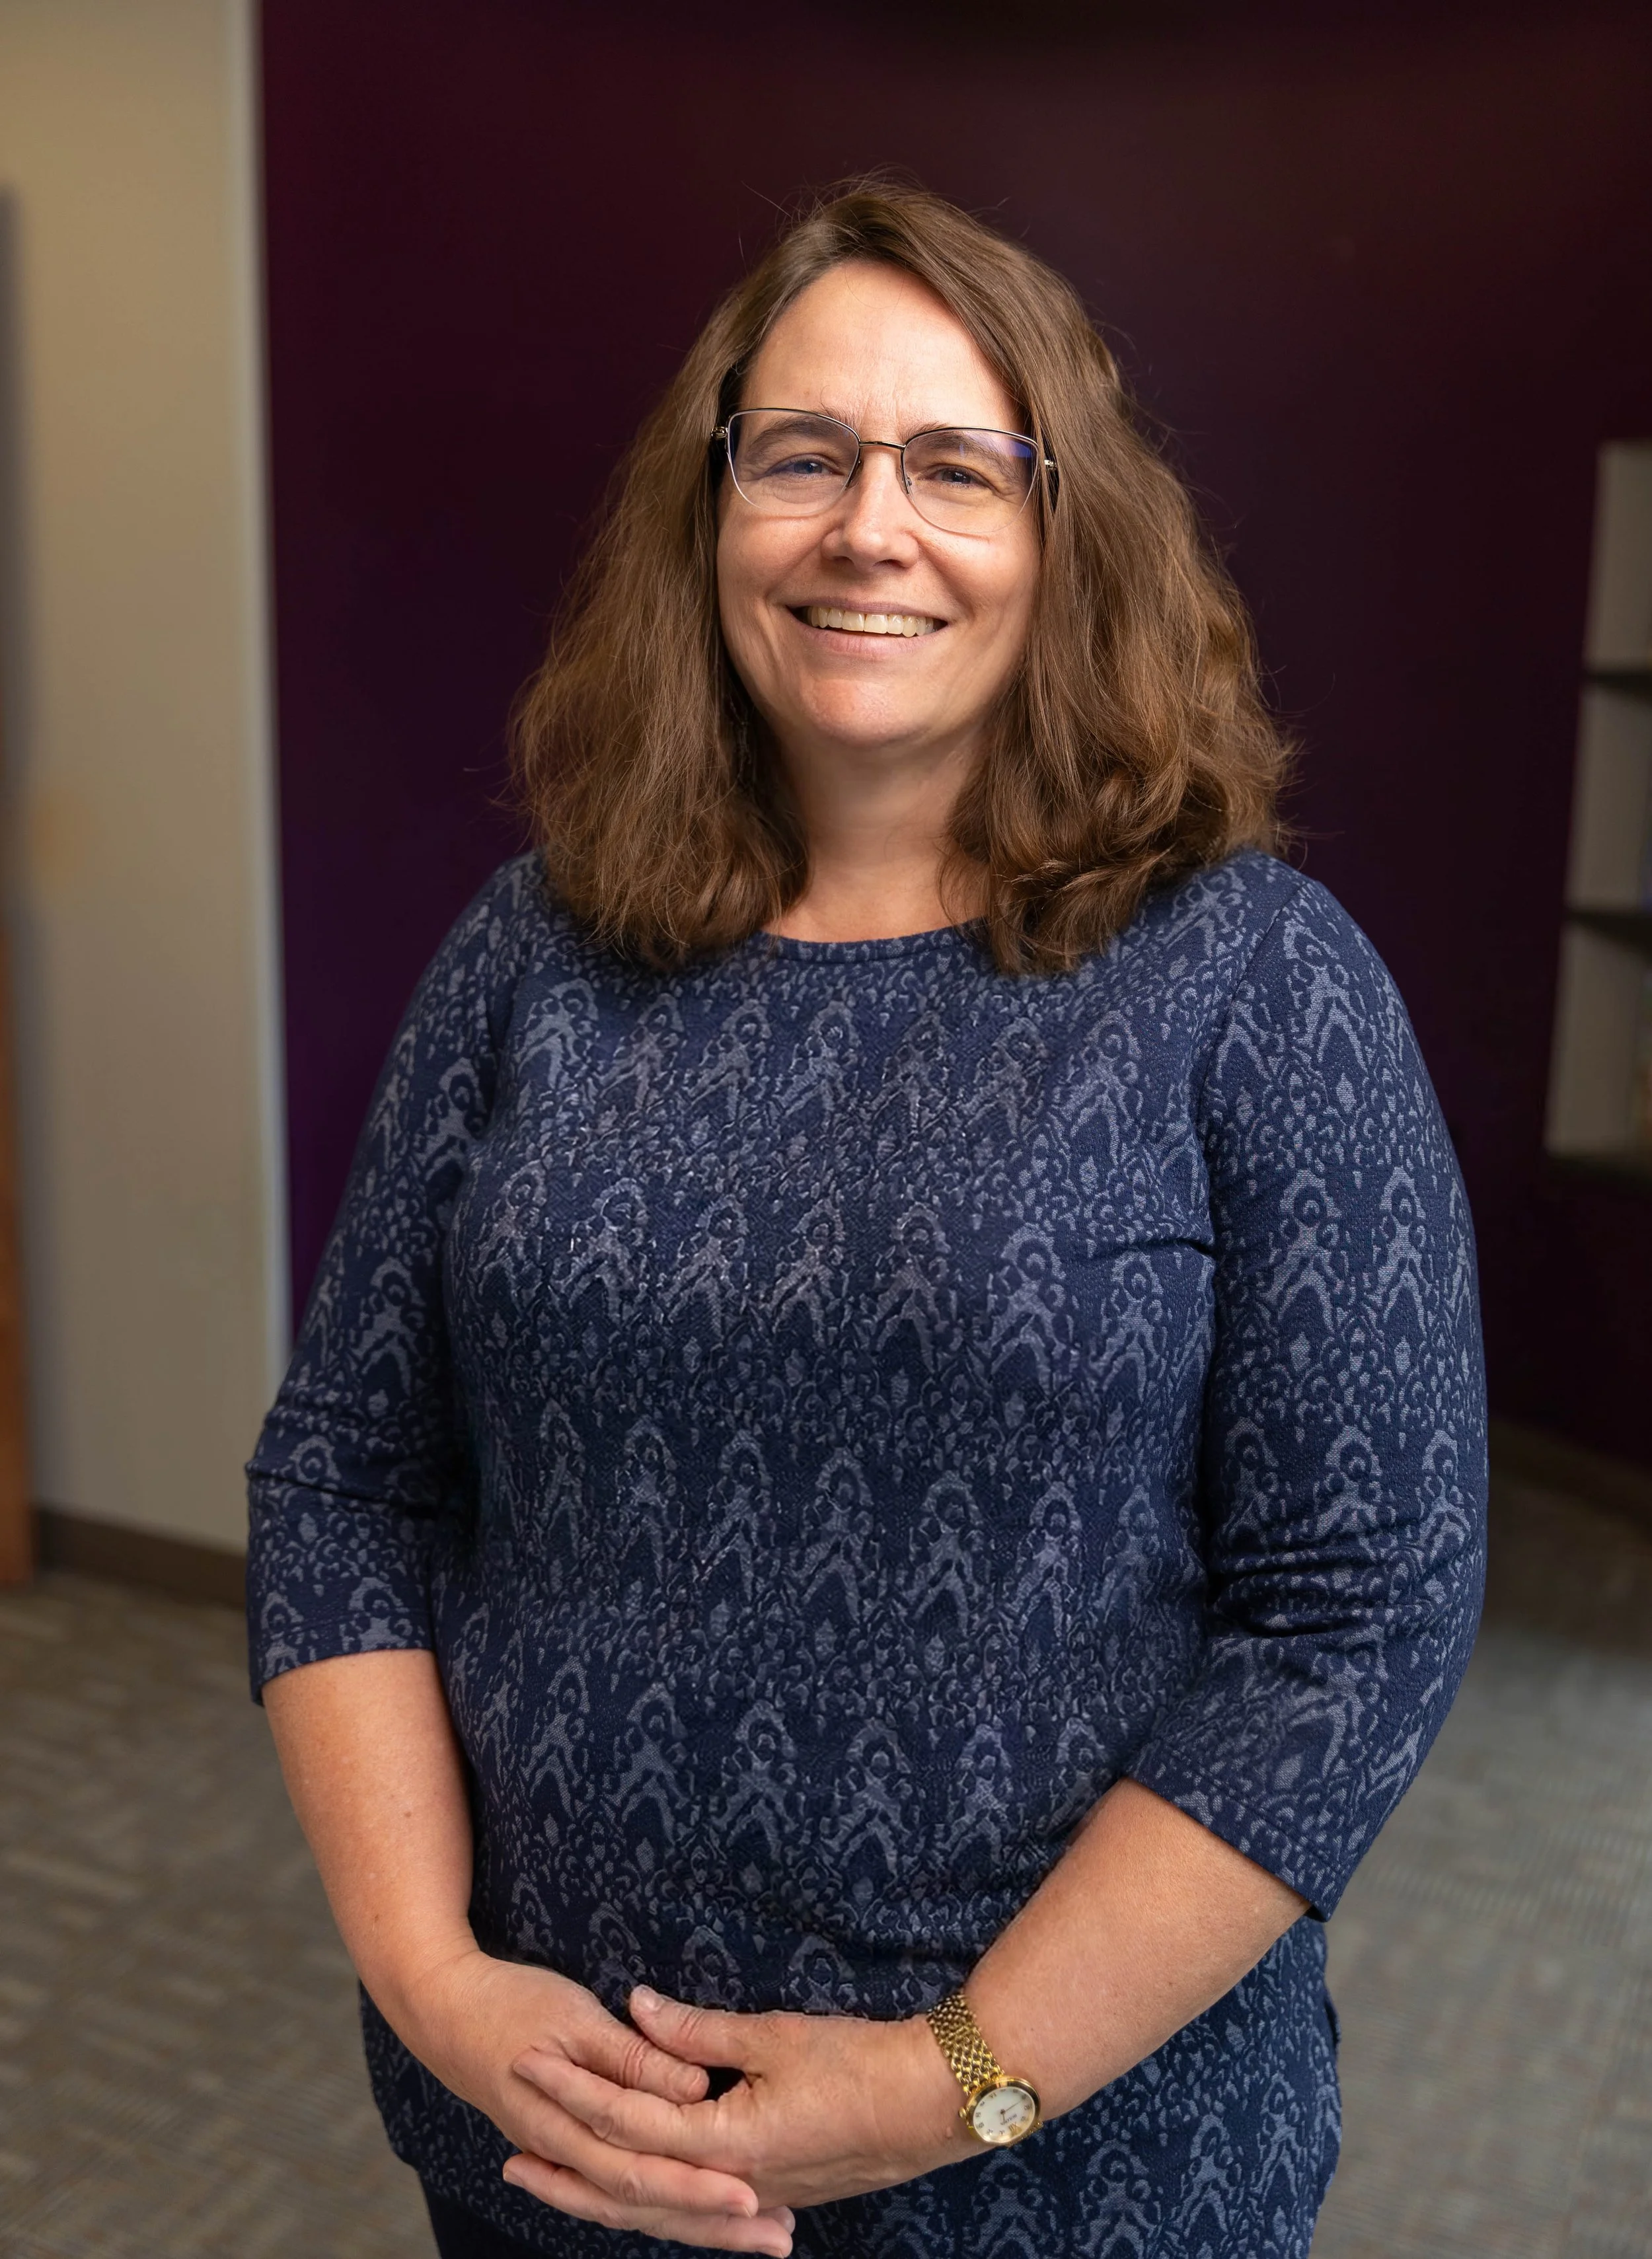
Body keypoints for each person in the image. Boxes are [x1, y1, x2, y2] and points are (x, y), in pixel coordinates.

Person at [248, 182, 1487, 2259]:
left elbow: (1352, 1618)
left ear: (1062, 530)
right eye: (801, 456)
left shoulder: (1255, 982)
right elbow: (346, 1483)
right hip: (565, 2136)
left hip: (1067, 2171)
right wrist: (436, 1985)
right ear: (710, 509)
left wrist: (950, 2084)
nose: (865, 528)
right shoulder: (532, 956)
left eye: (952, 467)